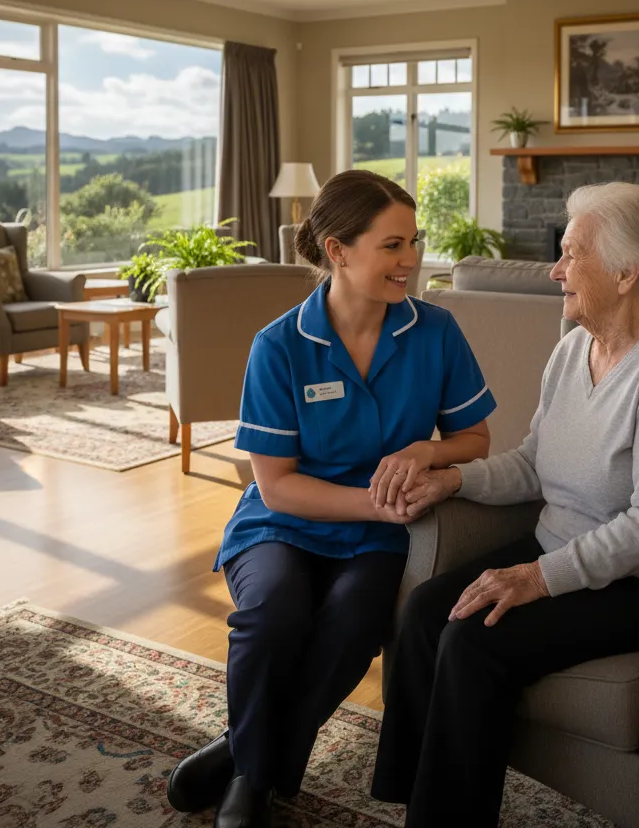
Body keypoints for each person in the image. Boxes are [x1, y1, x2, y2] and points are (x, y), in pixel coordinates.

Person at [370, 181, 639, 828]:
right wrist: (454, 480)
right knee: (425, 611)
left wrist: (537, 578)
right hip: (559, 545)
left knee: (473, 643)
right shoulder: (571, 349)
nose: (554, 270)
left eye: (570, 255)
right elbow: (535, 463)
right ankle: (409, 799)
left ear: (626, 273)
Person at [166, 169, 496, 828]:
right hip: (283, 523)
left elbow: (475, 439)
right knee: (273, 615)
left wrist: (426, 451)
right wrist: (378, 505)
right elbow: (277, 484)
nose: (412, 261)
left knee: (353, 623)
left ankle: (248, 759)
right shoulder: (279, 346)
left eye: (415, 242)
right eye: (393, 246)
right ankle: (257, 777)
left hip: (377, 538)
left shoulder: (436, 332)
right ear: (338, 250)